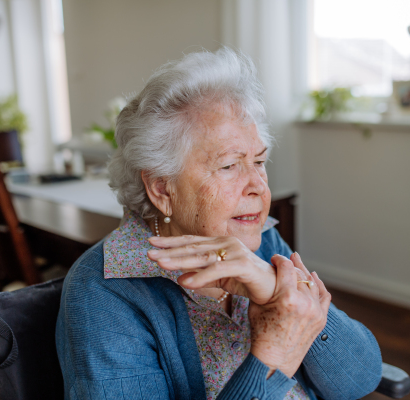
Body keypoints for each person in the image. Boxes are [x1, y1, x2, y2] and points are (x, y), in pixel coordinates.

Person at [56, 48, 382, 400]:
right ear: (162, 188)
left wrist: (287, 298)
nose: (259, 186)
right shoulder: (104, 293)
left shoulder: (263, 241)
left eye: (259, 161)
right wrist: (275, 355)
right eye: (229, 166)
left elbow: (361, 378)